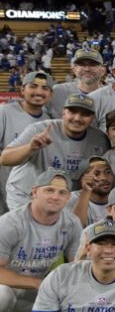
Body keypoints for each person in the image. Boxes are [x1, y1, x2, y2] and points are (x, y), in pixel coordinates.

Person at [0, 170, 82, 312]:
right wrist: (38, 283)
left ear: (68, 197)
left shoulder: (72, 223)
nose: (55, 196)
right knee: (2, 296)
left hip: (36, 288)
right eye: (49, 190)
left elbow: (76, 264)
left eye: (62, 192)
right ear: (35, 192)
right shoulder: (10, 223)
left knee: (77, 295)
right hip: (8, 285)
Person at [2, 94, 108, 213]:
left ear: (93, 118)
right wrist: (30, 148)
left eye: (85, 114)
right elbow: (5, 159)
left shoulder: (99, 139)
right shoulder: (40, 129)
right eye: (72, 112)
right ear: (63, 113)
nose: (77, 118)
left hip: (62, 199)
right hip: (26, 196)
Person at [0, 71, 55, 215]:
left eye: (45, 88)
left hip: (28, 194)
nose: (39, 92)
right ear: (22, 90)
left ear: (51, 94)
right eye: (33, 86)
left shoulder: (49, 121)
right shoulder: (5, 112)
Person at [48, 48, 106, 116]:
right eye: (81, 64)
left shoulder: (110, 97)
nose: (87, 69)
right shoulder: (58, 91)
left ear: (103, 71)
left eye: (93, 64)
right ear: (74, 70)